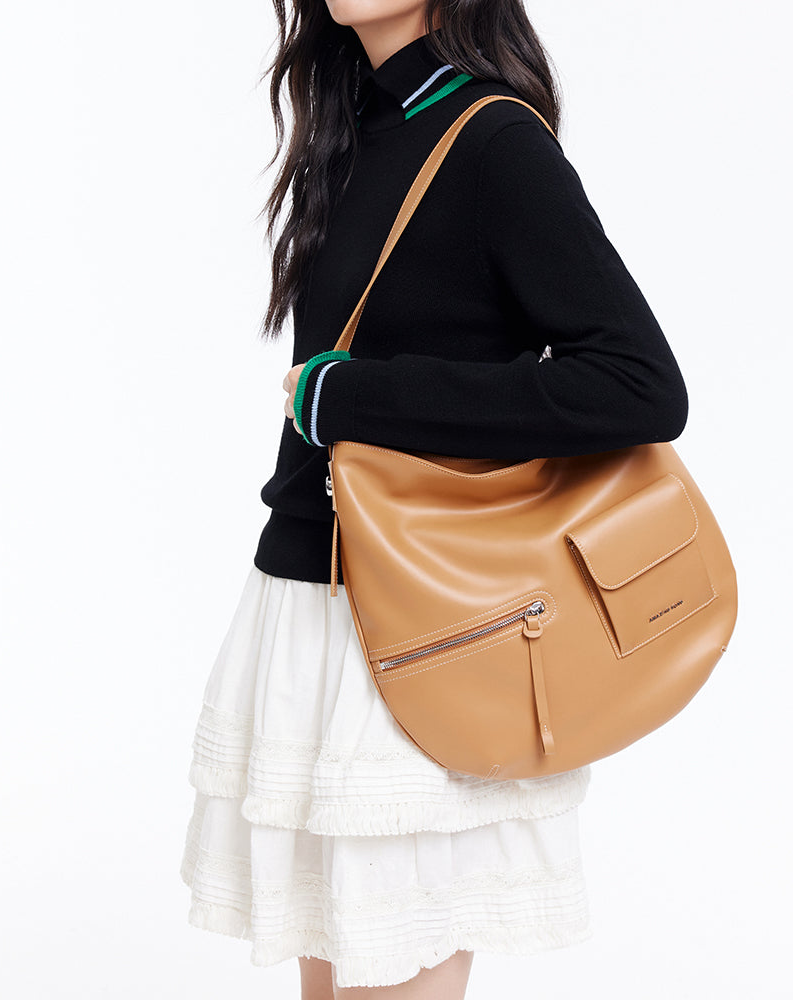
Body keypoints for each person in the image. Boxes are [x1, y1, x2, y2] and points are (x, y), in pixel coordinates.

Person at [179, 1, 689, 997]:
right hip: (312, 610)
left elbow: (638, 383)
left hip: (425, 630)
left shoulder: (490, 138)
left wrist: (357, 396)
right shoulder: (355, 128)